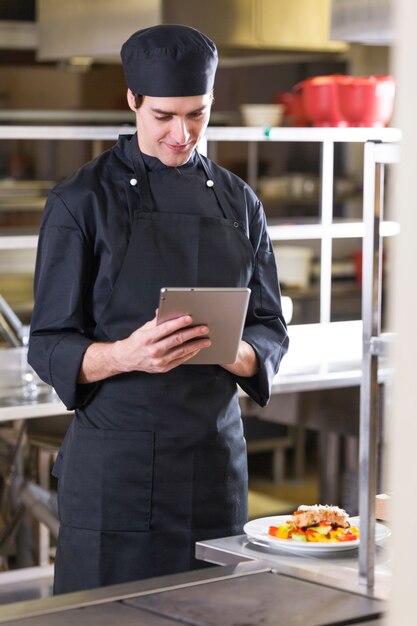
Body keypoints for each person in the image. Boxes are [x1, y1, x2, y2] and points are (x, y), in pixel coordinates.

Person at [28, 24, 289, 594]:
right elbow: (47, 343)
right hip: (116, 473)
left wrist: (242, 353)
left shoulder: (240, 202)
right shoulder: (80, 201)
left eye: (197, 114)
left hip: (213, 468)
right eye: (164, 116)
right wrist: (124, 355)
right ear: (133, 102)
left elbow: (270, 324)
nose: (182, 133)